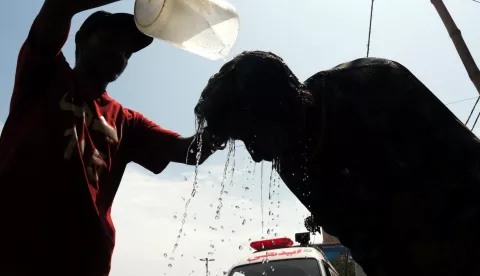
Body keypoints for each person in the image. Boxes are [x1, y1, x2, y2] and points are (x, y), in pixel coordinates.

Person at [195, 51, 480, 276]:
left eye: (252, 135)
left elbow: (468, 164)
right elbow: (366, 245)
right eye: (243, 141)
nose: (255, 155)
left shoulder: (372, 83)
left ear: (279, 107)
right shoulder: (291, 163)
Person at [0, 1, 225, 275]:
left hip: (86, 263)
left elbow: (190, 151)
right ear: (81, 39)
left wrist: (224, 124)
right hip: (15, 254)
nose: (119, 53)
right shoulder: (44, 72)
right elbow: (58, 7)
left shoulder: (127, 122)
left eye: (127, 51)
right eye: (111, 40)